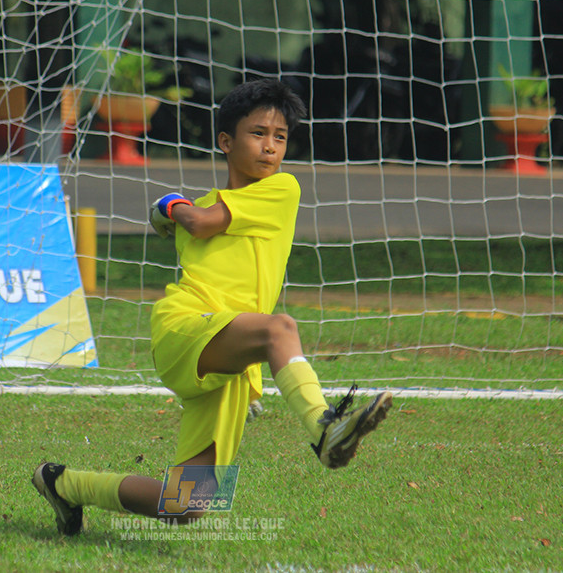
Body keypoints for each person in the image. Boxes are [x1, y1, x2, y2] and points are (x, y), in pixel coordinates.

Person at [34, 78, 392, 535]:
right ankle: (325, 430)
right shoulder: (201, 209)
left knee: (185, 503)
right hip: (186, 328)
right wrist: (174, 206)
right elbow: (201, 222)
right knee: (279, 329)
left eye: (280, 138)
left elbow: (188, 220)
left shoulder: (282, 189)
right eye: (258, 133)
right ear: (226, 141)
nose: (270, 147)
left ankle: (63, 484)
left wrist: (166, 205)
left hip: (231, 355)